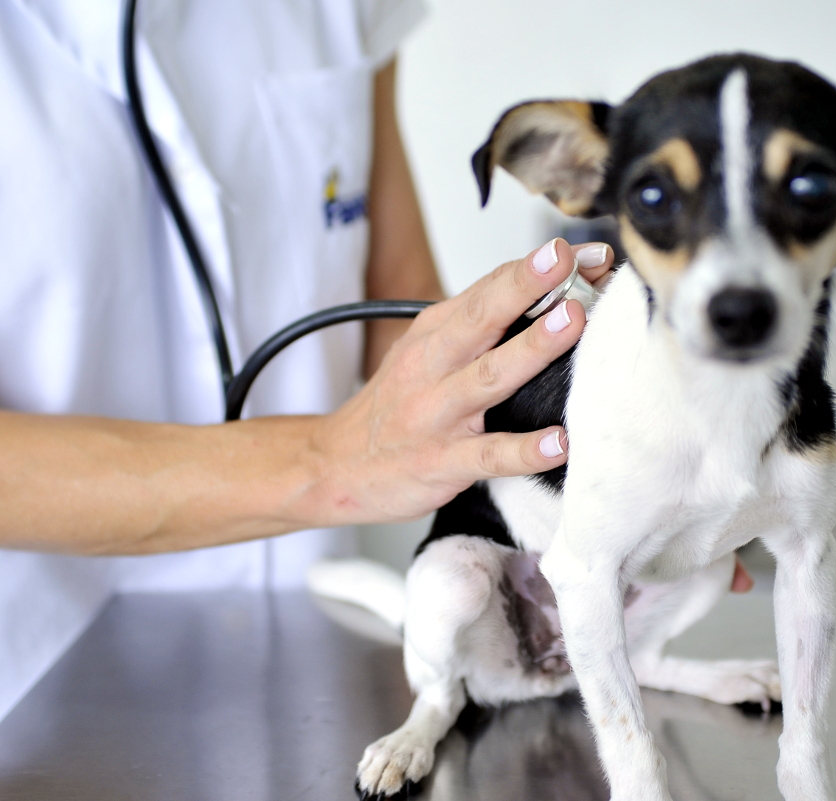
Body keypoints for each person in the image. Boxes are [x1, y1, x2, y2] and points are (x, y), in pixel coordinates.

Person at [0, 0, 616, 721]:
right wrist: (329, 463)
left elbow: (400, 315)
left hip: (310, 669)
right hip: (39, 696)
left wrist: (605, 449)